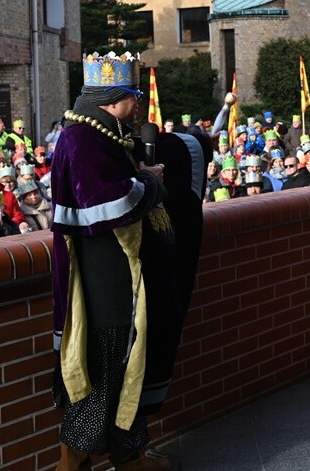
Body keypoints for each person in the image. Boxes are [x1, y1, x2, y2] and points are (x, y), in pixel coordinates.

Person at [50, 51, 208, 470]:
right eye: (134, 95)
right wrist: (149, 183)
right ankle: (74, 460)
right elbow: (110, 205)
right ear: (112, 97)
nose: (139, 104)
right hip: (105, 284)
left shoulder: (105, 133)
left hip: (124, 277)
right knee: (103, 375)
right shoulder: (81, 139)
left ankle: (128, 454)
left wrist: (139, 176)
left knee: (126, 374)